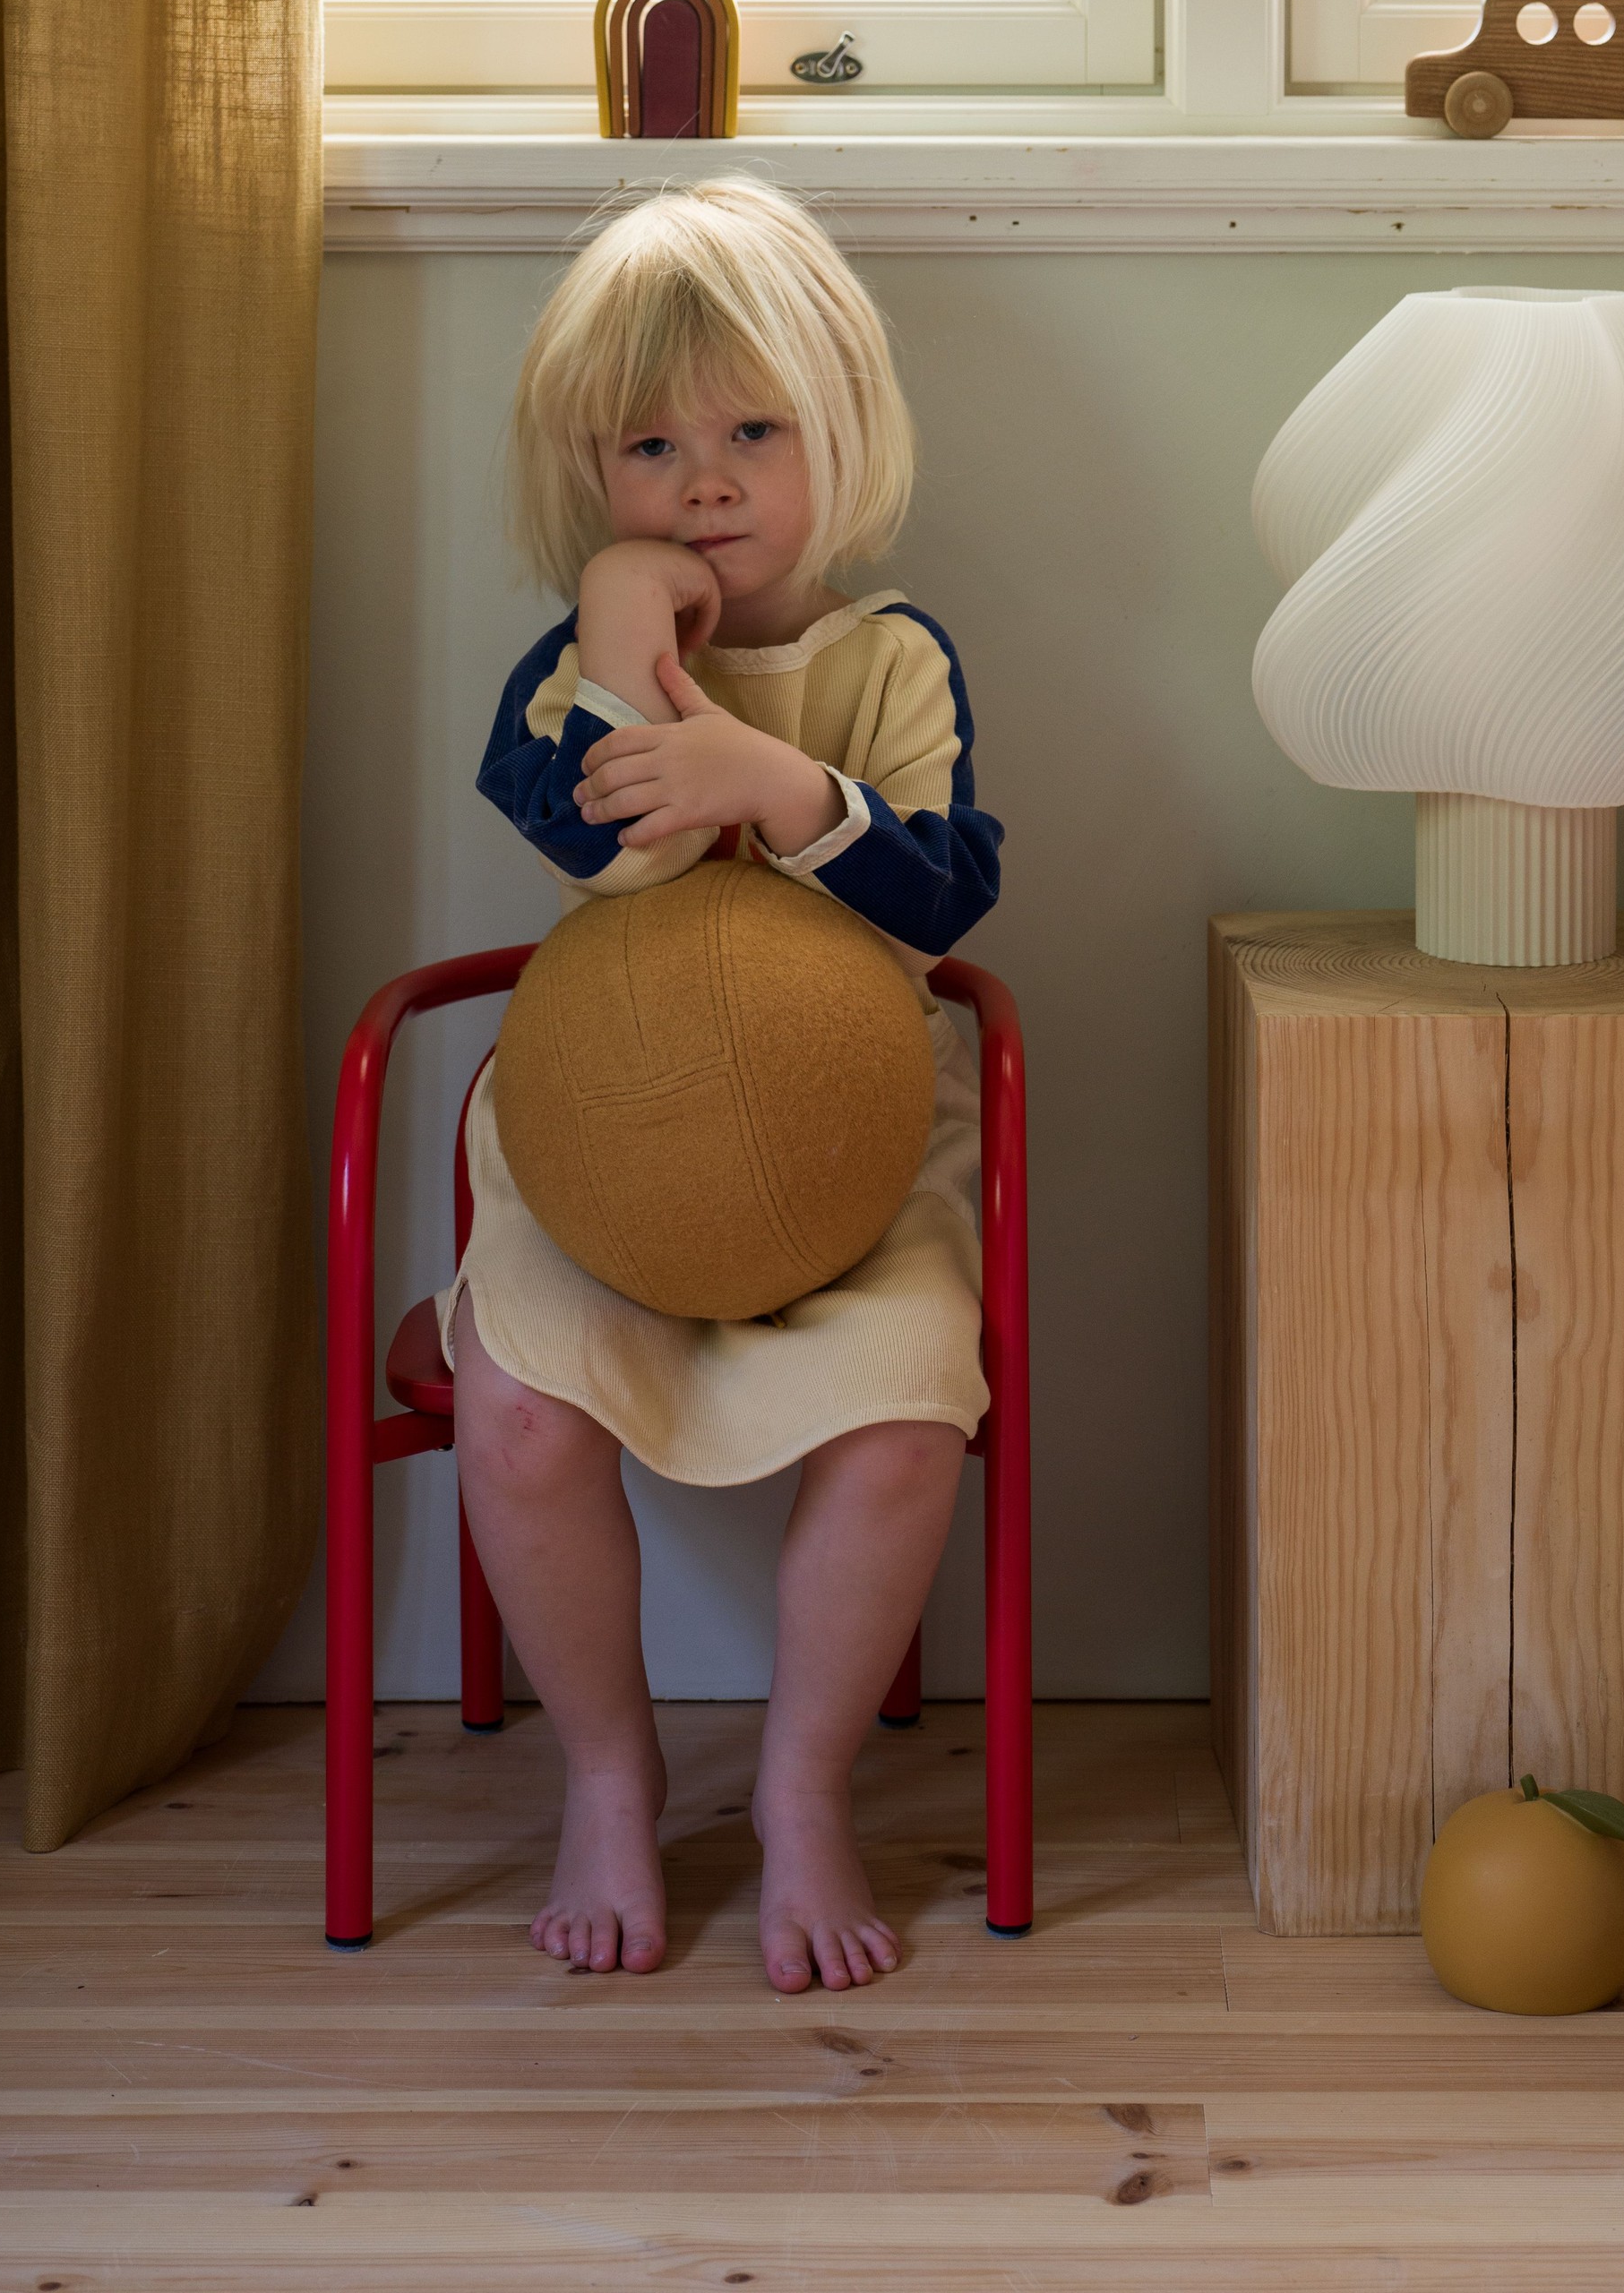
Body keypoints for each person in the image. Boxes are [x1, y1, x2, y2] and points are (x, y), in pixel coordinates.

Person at [447, 176, 1001, 1994]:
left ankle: (799, 1787)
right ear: (589, 475)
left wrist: (787, 791)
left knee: (907, 1422)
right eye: (652, 449)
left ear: (840, 428)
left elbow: (947, 898)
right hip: (598, 1156)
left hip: (854, 1162)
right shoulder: (570, 674)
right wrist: (625, 642)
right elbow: (591, 851)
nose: (706, 484)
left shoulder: (891, 659)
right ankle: (608, 1778)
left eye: (753, 431)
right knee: (517, 1417)